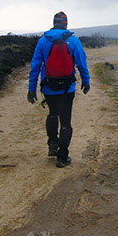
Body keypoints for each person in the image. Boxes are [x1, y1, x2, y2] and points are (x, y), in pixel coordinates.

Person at [27, 11, 90, 168]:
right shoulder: (73, 41)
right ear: (66, 24)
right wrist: (86, 81)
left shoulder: (42, 41)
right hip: (67, 88)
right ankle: (62, 156)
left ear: (53, 23)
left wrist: (31, 88)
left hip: (49, 86)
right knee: (66, 120)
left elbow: (35, 66)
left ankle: (52, 144)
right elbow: (82, 62)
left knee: (52, 114)